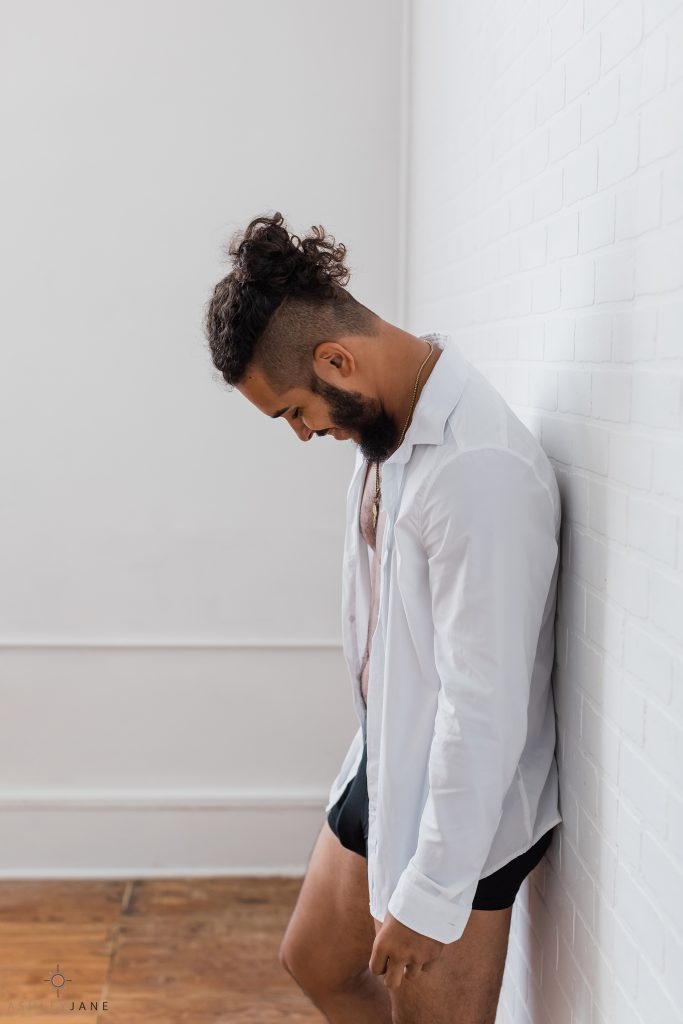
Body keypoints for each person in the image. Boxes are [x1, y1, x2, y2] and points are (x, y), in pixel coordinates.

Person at [203, 211, 563, 1023]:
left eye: (294, 411)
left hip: (460, 805)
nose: (303, 434)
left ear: (336, 359)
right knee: (313, 958)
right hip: (388, 752)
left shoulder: (478, 474)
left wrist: (431, 893)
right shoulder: (390, 425)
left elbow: (483, 709)